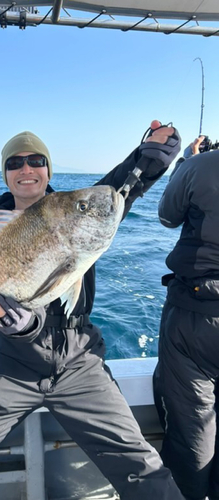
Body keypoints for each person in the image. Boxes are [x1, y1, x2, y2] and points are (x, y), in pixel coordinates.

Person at [0, 122, 183, 500]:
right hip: (15, 366)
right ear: (6, 176)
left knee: (143, 467)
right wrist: (21, 327)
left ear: (48, 170)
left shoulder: (73, 210)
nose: (26, 169)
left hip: (79, 363)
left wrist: (154, 151)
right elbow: (13, 299)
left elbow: (121, 186)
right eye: (15, 164)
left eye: (36, 161)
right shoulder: (0, 235)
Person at [153, 135, 219, 500]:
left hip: (195, 316)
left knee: (191, 435)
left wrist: (186, 163)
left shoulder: (200, 165)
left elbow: (166, 216)